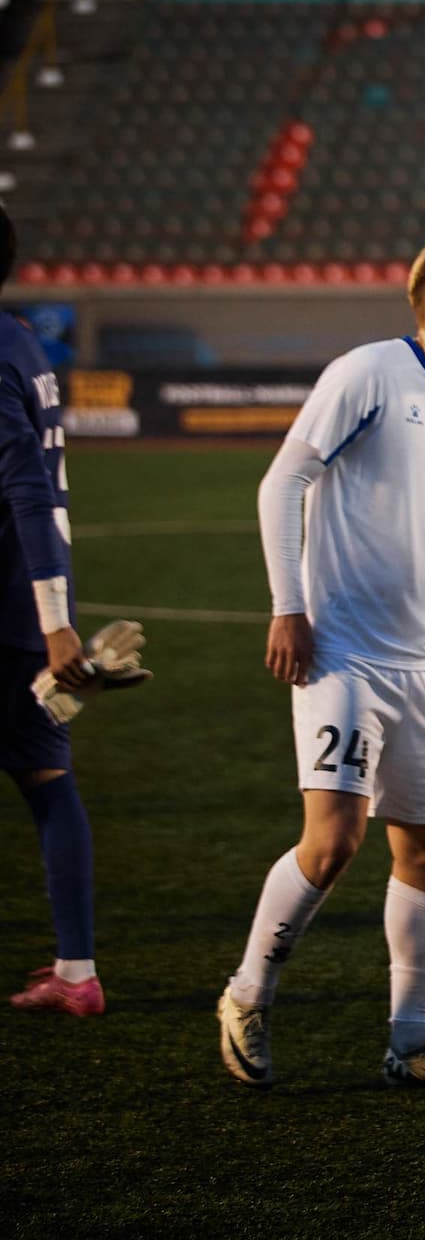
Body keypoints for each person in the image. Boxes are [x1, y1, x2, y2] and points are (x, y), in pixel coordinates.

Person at [217, 232, 425, 1089]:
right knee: (336, 839)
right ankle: (248, 992)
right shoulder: (366, 373)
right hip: (342, 652)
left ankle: (414, 1044)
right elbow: (284, 483)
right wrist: (289, 606)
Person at [1, 205, 107, 1017]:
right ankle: (76, 973)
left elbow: (26, 489)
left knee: (49, 785)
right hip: (28, 609)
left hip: (10, 608)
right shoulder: (25, 339)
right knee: (48, 782)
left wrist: (54, 620)